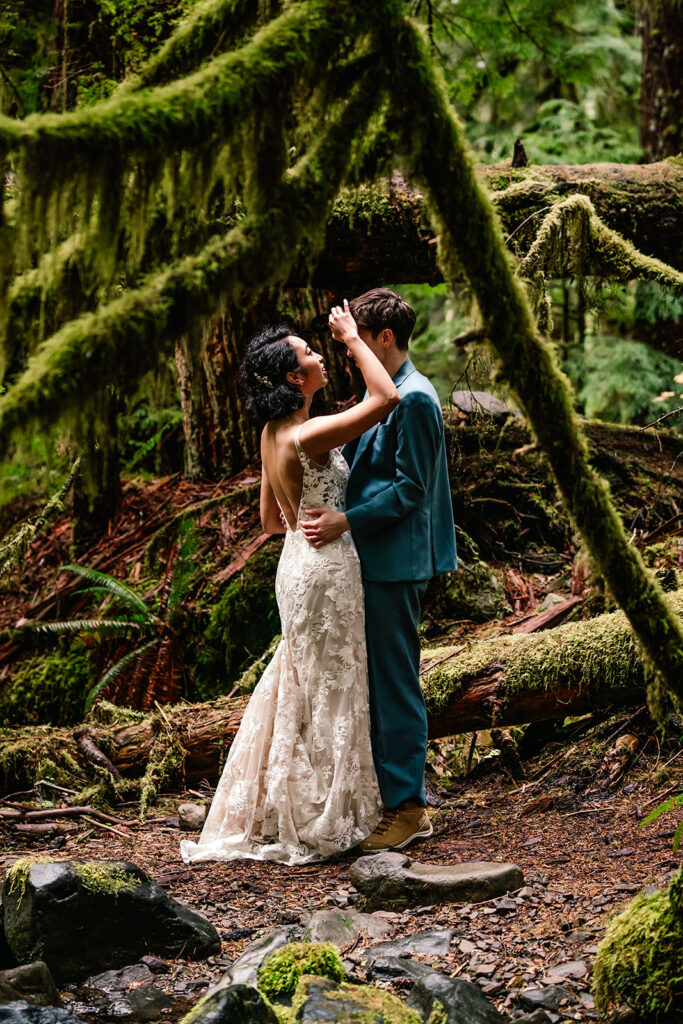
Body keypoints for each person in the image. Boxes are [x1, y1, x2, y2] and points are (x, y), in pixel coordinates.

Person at [180, 301, 399, 865]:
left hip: (296, 566)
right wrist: (354, 338)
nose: (321, 354)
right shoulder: (309, 436)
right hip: (325, 570)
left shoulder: (272, 433)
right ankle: (324, 812)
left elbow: (271, 522)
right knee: (333, 686)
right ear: (293, 378)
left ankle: (293, 801)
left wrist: (307, 521)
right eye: (310, 352)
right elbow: (386, 398)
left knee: (307, 682)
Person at [300, 288, 457, 852]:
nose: (348, 354)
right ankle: (388, 797)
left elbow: (411, 490)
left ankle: (409, 808)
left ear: (383, 338)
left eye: (355, 341)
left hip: (395, 561)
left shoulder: (415, 399)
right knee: (379, 680)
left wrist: (347, 521)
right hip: (375, 559)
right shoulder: (385, 395)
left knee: (394, 683)